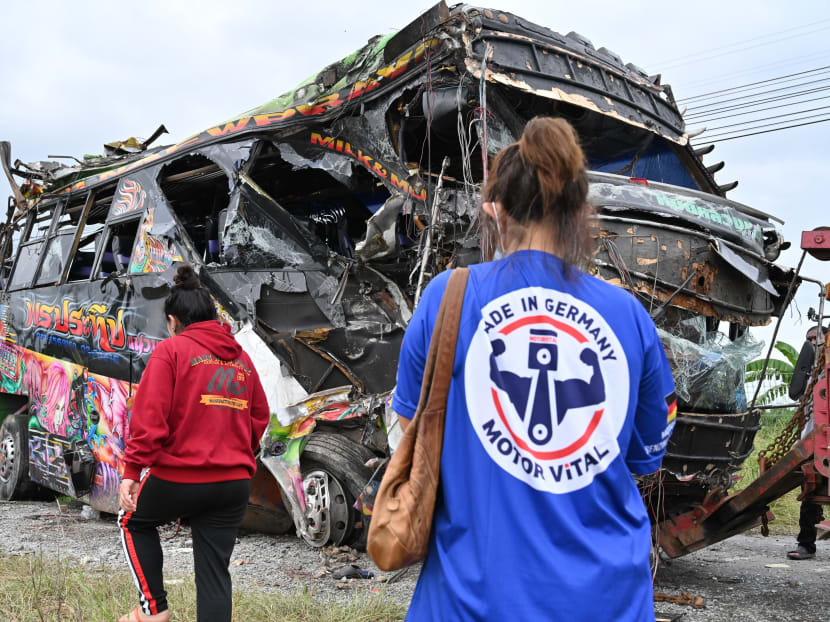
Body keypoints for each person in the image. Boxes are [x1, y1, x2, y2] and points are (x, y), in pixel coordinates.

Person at [392, 117, 676, 621]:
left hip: (469, 602)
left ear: (495, 212)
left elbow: (410, 434)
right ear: (580, 213)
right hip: (605, 602)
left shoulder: (447, 299)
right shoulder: (629, 317)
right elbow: (643, 460)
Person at [117, 264, 270, 622]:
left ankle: (154, 611)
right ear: (211, 316)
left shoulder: (171, 352)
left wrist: (132, 471)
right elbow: (260, 417)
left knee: (132, 520)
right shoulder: (242, 360)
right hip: (233, 484)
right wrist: (233, 453)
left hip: (180, 477)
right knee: (215, 575)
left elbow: (149, 419)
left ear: (173, 320)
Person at [787, 324, 828, 561]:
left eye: (816, 338)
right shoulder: (810, 373)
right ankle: (806, 545)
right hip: (811, 442)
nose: (812, 343)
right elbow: (797, 393)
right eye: (808, 339)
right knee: (810, 493)